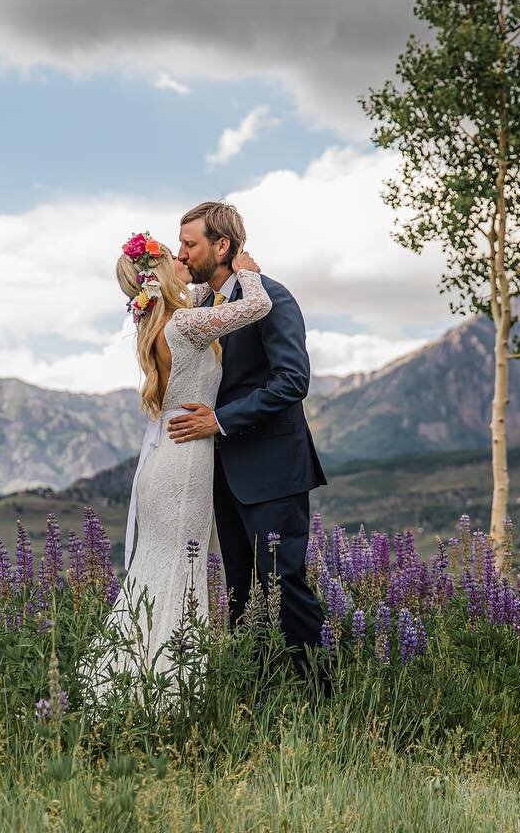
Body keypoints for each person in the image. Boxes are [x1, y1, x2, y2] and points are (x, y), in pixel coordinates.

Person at [84, 229, 272, 697]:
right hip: (185, 461)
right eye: (175, 257)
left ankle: (131, 683)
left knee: (157, 569)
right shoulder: (185, 325)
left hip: (163, 458)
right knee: (178, 570)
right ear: (162, 273)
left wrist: (196, 280)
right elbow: (256, 308)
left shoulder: (162, 324)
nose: (183, 260)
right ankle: (170, 693)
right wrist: (249, 275)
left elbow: (197, 295)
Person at [169, 202, 328, 683]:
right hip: (220, 471)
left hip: (272, 468)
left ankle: (319, 693)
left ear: (222, 246)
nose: (182, 254)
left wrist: (219, 421)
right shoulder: (198, 308)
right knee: (238, 589)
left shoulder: (272, 296)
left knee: (285, 584)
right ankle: (252, 690)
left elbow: (291, 381)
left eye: (190, 244)